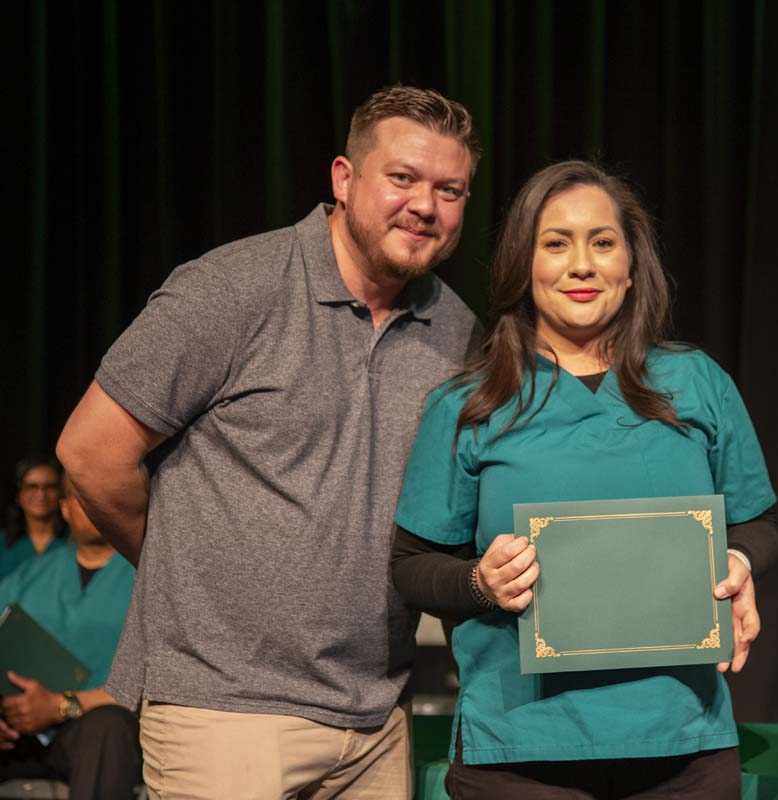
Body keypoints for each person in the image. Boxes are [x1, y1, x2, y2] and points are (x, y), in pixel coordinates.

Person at [55, 84, 482, 798]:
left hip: (375, 720)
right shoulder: (233, 289)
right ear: (344, 180)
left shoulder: (458, 333)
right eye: (402, 178)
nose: (425, 206)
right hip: (222, 710)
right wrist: (182, 571)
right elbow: (90, 453)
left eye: (451, 189)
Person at [391, 160, 778, 799]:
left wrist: (737, 559)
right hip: (518, 752)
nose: (581, 265)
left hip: (683, 745)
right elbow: (411, 565)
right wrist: (479, 582)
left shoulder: (697, 384)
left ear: (631, 267)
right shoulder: (470, 404)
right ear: (524, 264)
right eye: (556, 244)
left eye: (602, 243)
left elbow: (757, 525)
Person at [0, 473, 139, 799]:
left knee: (108, 728)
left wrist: (62, 705)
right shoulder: (29, 576)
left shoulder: (143, 576)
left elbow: (159, 676)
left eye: (103, 497)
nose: (94, 506)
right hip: (16, 730)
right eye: (82, 496)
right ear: (64, 507)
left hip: (90, 730)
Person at [0, 457, 69, 580]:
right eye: (32, 487)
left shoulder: (75, 541)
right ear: (18, 495)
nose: (41, 494)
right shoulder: (2, 544)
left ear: (60, 493)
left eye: (50, 487)